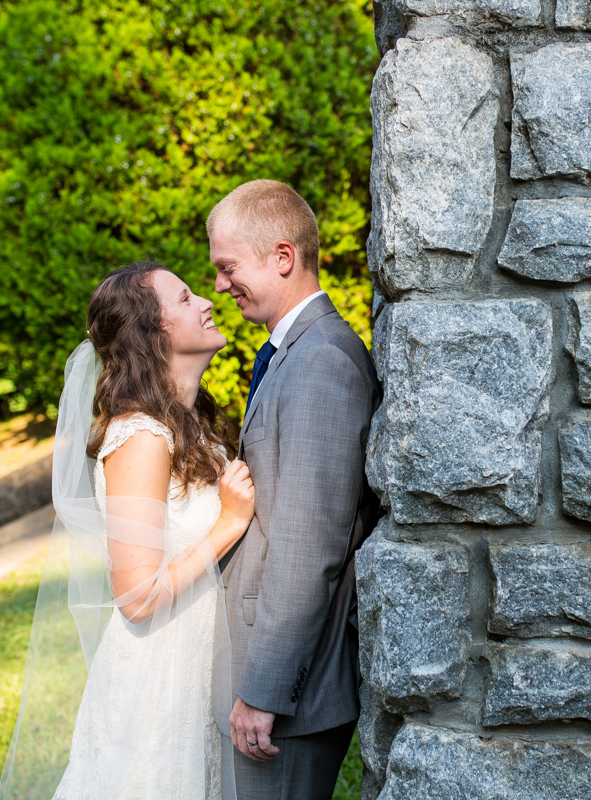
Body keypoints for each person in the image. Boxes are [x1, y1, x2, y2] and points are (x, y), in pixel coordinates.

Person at [0, 261, 254, 800]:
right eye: (184, 300)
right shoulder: (140, 435)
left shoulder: (190, 425)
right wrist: (228, 523)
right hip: (159, 678)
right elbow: (137, 596)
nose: (207, 302)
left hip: (196, 663)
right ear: (150, 333)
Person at [209, 179, 381, 799]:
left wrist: (263, 691)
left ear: (282, 258)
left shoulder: (322, 362)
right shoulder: (294, 352)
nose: (221, 286)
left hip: (290, 700)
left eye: (228, 268)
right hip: (278, 685)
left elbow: (310, 549)